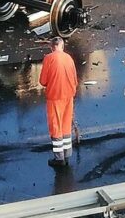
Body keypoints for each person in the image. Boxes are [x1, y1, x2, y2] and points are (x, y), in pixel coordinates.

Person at [39, 37, 78, 168]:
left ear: (51, 46)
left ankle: (59, 158)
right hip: (69, 95)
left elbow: (43, 81)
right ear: (62, 46)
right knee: (66, 125)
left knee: (56, 126)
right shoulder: (69, 58)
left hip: (55, 96)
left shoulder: (49, 58)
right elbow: (74, 78)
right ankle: (67, 155)